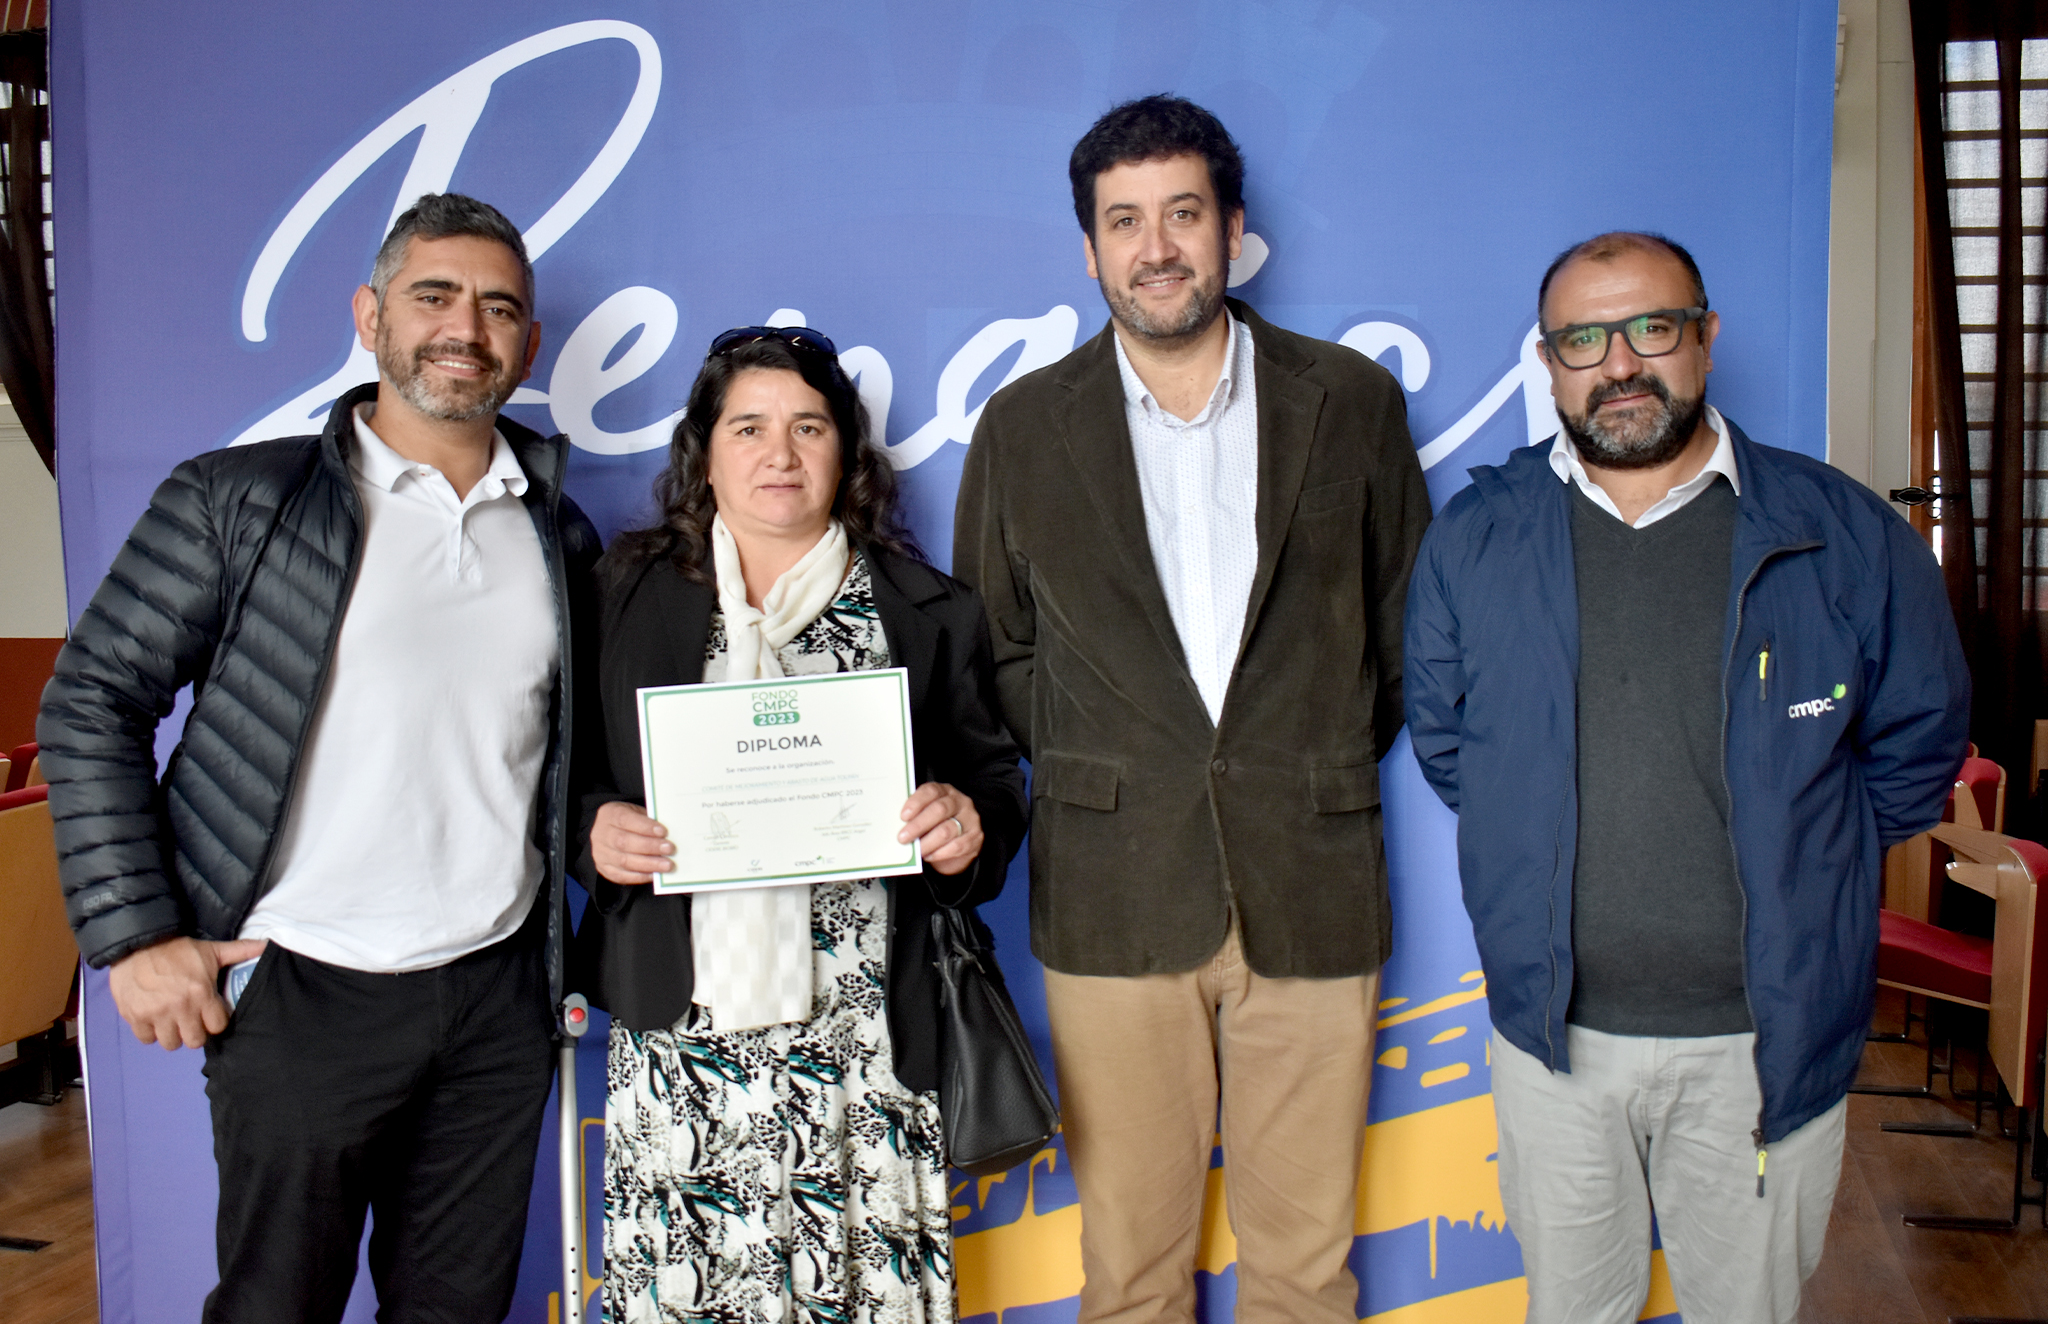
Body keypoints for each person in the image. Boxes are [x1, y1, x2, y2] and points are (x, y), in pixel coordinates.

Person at [37, 193, 600, 1321]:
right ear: (370, 316)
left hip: (496, 994)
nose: (465, 328)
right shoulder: (237, 499)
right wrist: (132, 935)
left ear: (529, 344)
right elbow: (92, 699)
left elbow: (558, 763)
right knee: (276, 1306)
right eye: (433, 296)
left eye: (498, 308)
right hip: (300, 985)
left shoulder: (557, 532)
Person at [1403, 231, 1971, 1323]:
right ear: (1547, 362)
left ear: (1704, 339)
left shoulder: (1838, 531)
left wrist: (1819, 854)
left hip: (1762, 1044)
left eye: (1650, 328)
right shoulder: (1477, 537)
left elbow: (1917, 742)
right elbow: (1449, 742)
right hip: (1554, 1046)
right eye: (1583, 339)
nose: (1618, 363)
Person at [952, 94, 1431, 1323]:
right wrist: (1107, 760)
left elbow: (1399, 637)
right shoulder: (1022, 427)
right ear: (1088, 248)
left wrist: (1299, 758)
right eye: (1124, 221)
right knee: (1130, 1272)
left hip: (1311, 881)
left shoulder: (1349, 402)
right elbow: (998, 651)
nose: (1154, 247)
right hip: (1110, 893)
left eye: (1181, 214)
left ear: (1230, 229)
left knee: (1304, 1269)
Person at [572, 324, 1028, 1322]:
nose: (778, 454)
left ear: (845, 453)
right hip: (685, 1038)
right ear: (704, 452)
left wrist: (966, 825)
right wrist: (592, 829)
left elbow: (994, 784)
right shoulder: (620, 596)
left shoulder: (927, 610)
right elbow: (559, 774)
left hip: (866, 1041)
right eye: (748, 428)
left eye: (808, 427)